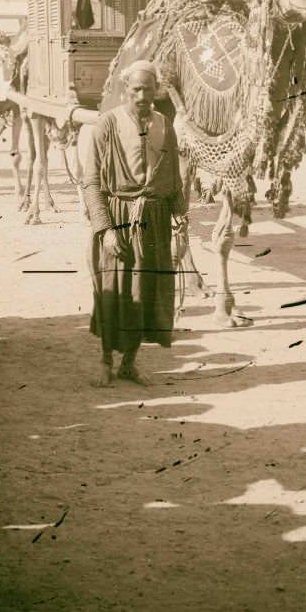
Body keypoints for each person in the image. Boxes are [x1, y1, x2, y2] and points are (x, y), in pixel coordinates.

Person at [83, 60, 188, 386]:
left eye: (148, 88)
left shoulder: (165, 124)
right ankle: (105, 360)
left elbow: (174, 182)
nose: (142, 95)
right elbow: (91, 183)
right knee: (113, 293)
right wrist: (106, 230)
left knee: (146, 292)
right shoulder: (107, 125)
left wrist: (182, 224)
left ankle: (129, 363)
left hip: (154, 222)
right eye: (136, 89)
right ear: (125, 89)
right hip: (119, 220)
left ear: (157, 89)